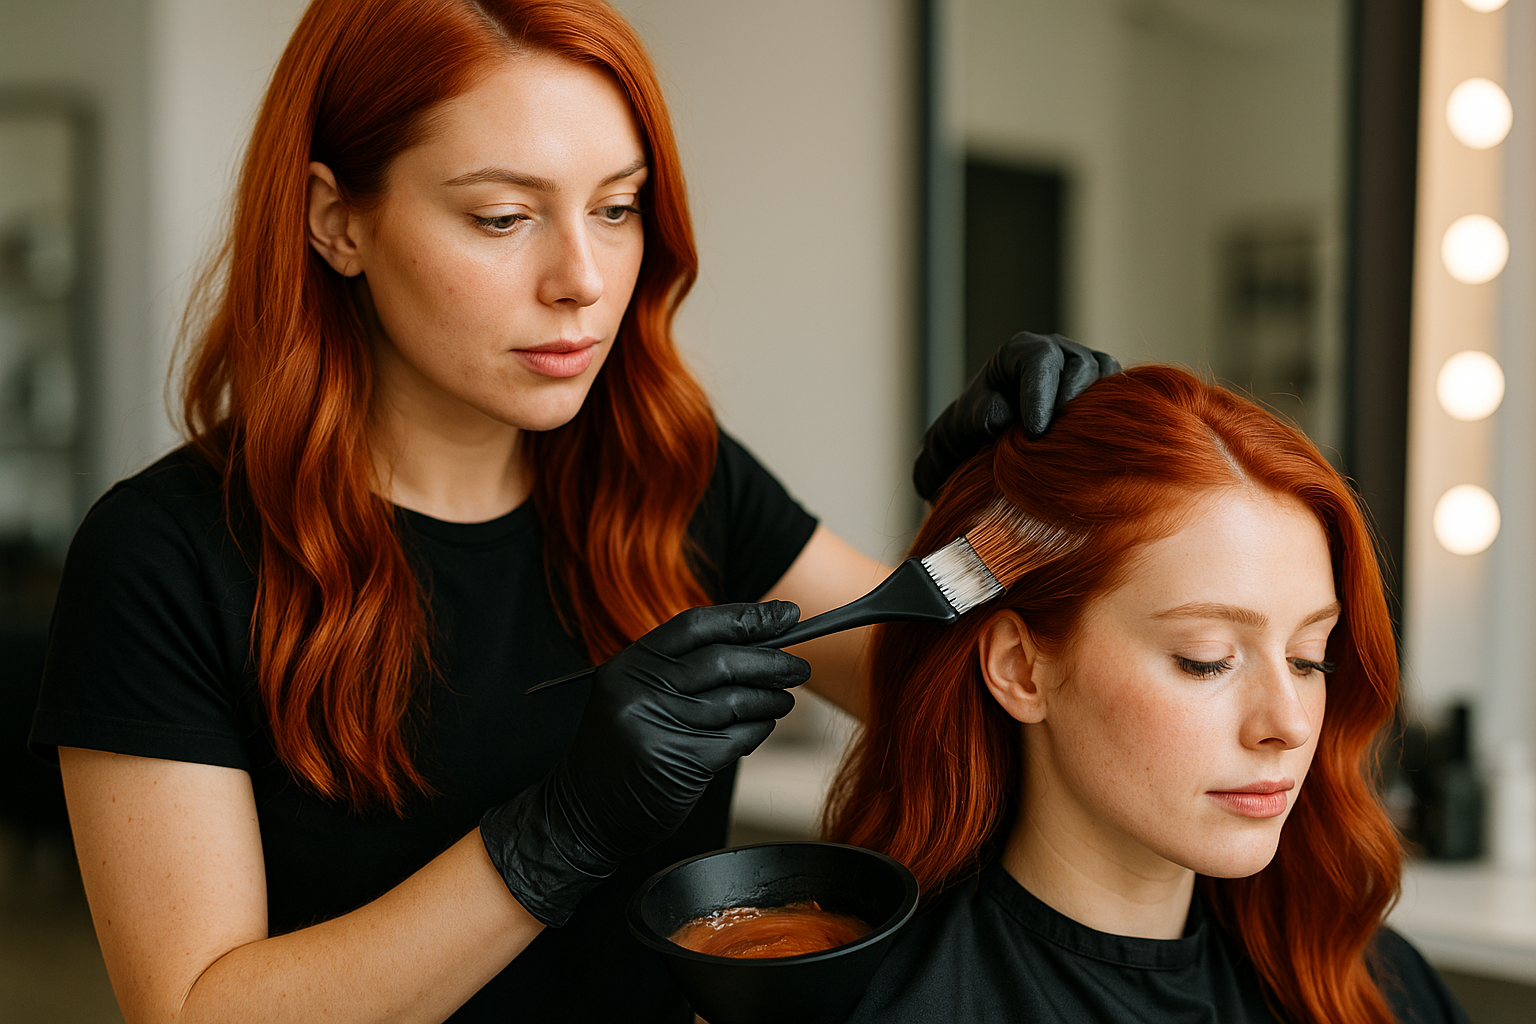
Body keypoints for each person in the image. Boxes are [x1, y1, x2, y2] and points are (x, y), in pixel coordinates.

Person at [26, 1, 1111, 1022]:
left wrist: (1014, 508)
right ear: (336, 221)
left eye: (617, 207)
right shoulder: (162, 558)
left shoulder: (668, 475)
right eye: (503, 217)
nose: (583, 279)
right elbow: (197, 1008)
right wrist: (556, 833)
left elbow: (967, 698)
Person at [828, 366, 1470, 1024]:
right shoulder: (884, 1004)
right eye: (1206, 661)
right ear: (1021, 668)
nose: (1290, 724)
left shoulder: (1369, 986)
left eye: (1309, 659)